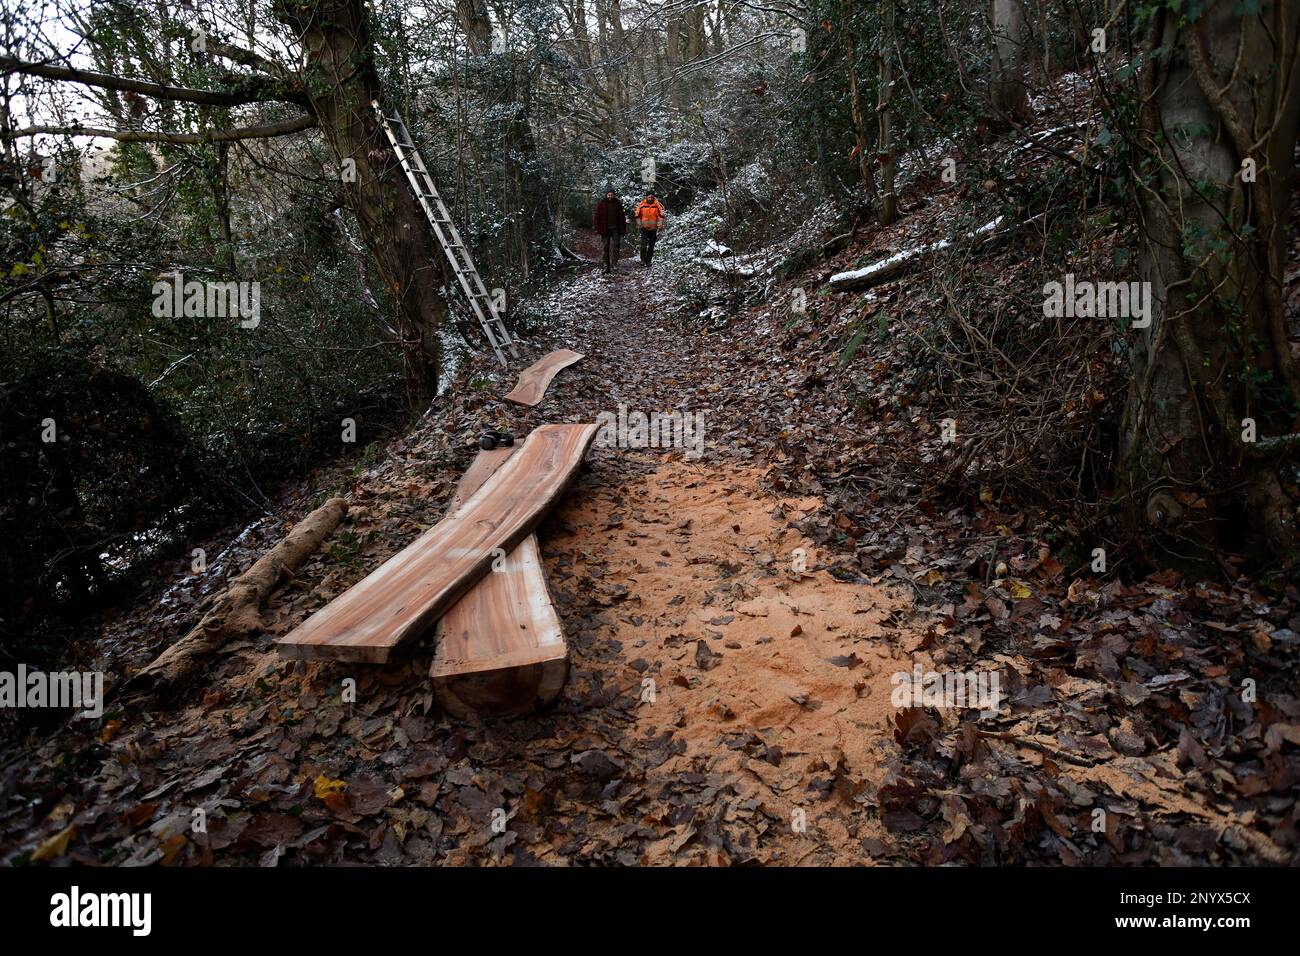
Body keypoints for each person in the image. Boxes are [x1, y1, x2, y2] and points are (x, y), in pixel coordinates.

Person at [593, 189, 626, 274]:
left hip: (616, 228)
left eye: (612, 195)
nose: (610, 196)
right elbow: (596, 216)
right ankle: (606, 266)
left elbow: (622, 216)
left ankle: (614, 264)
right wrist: (597, 228)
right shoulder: (601, 203)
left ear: (614, 195)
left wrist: (623, 229)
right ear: (606, 195)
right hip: (605, 229)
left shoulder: (617, 203)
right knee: (605, 247)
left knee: (616, 245)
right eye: (609, 195)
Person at [634, 190, 666, 268]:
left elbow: (661, 216)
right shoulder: (642, 204)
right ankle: (642, 260)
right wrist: (639, 223)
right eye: (649, 197)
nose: (650, 198)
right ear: (646, 197)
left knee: (651, 245)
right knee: (643, 244)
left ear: (653, 197)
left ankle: (648, 261)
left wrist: (660, 224)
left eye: (652, 197)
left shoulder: (657, 205)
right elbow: (637, 215)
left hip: (653, 228)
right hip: (643, 227)